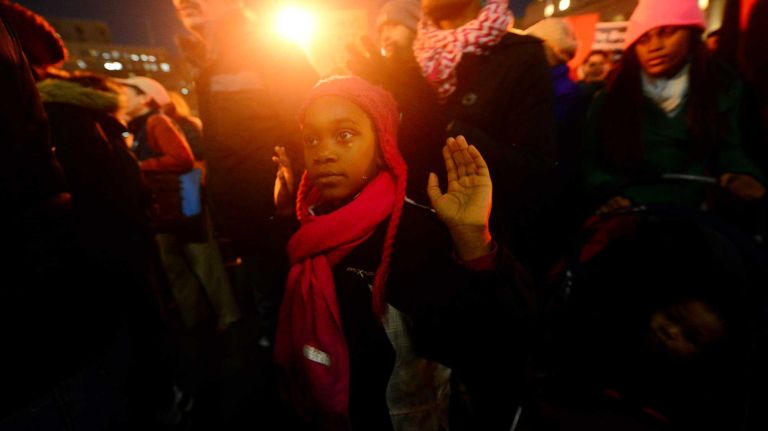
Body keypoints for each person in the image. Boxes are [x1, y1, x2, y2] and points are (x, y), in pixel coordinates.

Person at [271, 76, 534, 430]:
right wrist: (286, 215)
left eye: (344, 134)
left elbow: (485, 347)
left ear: (382, 144)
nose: (324, 152)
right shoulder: (312, 227)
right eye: (312, 139)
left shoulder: (411, 233)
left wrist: (473, 240)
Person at [171, 0, 319, 344]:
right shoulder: (207, 60)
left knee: (307, 313)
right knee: (273, 311)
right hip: (245, 219)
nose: (184, 5)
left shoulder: (265, 49)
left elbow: (310, 124)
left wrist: (298, 198)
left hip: (286, 215)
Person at [581, 0, 765, 215]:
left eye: (668, 32)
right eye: (643, 39)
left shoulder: (723, 89)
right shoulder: (611, 98)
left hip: (702, 216)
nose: (655, 46)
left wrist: (741, 175)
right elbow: (591, 162)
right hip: (631, 214)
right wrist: (606, 194)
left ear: (691, 35)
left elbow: (729, 149)